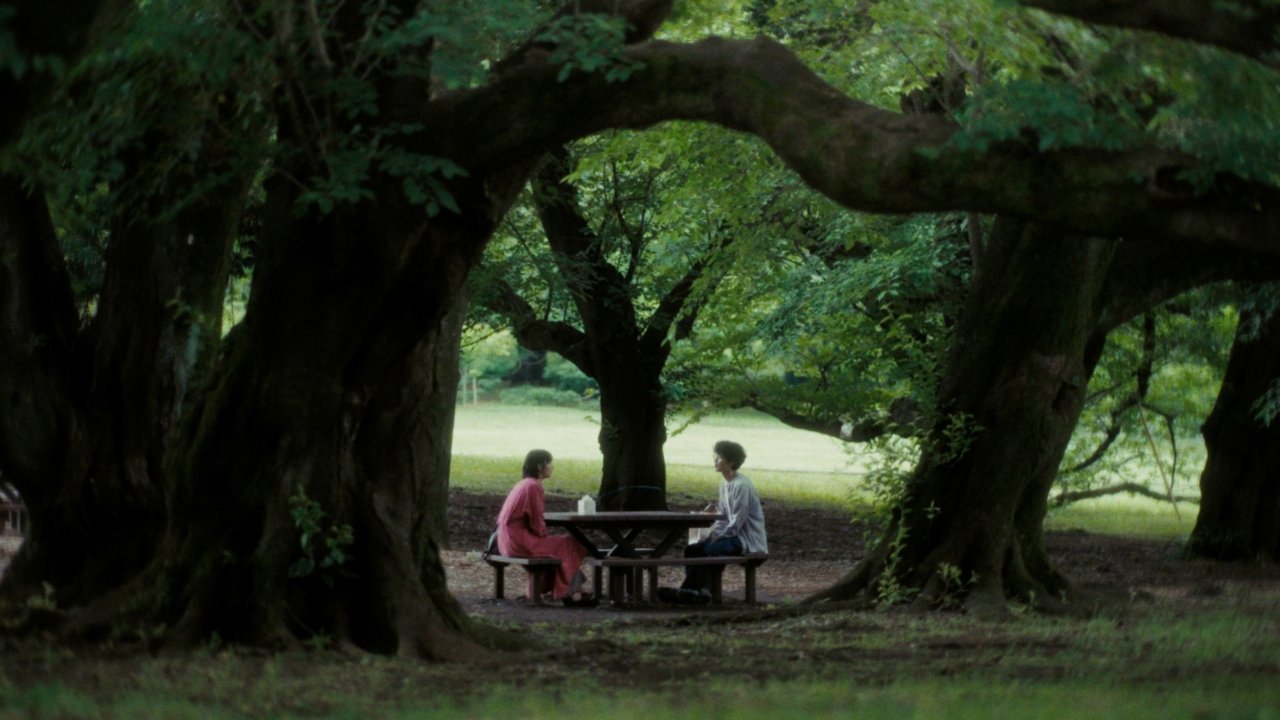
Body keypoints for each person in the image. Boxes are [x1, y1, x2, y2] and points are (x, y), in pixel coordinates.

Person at [662, 440, 768, 605]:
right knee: (692, 550)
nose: (715, 461)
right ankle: (699, 591)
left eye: (719, 458)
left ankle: (689, 591)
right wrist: (714, 533)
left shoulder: (742, 486)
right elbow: (723, 515)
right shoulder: (725, 484)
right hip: (731, 535)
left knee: (709, 550)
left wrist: (719, 535)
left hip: (745, 539)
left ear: (731, 462)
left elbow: (738, 521)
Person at [496, 449, 596, 607]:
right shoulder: (534, 486)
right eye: (549, 463)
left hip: (506, 539)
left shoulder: (524, 484)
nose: (551, 466)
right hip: (519, 541)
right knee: (567, 544)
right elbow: (536, 522)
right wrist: (543, 534)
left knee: (559, 546)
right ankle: (571, 593)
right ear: (539, 466)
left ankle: (570, 590)